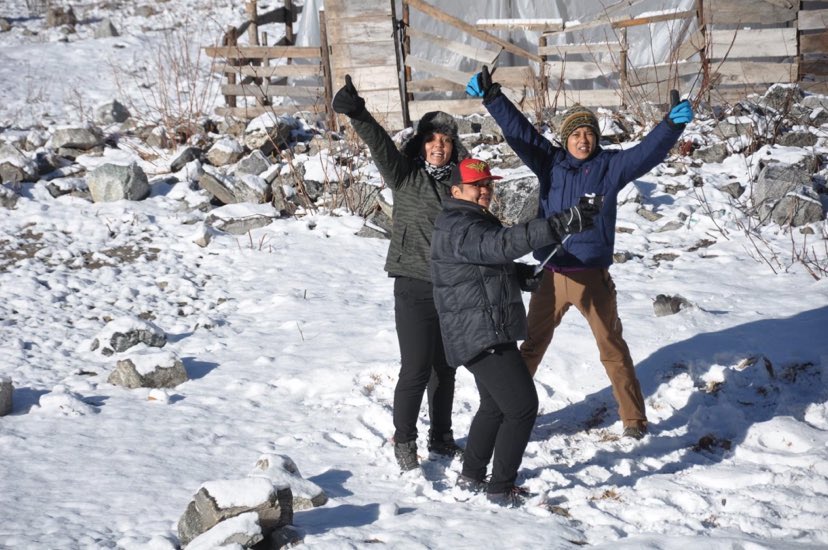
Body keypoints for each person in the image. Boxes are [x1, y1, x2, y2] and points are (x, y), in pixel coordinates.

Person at [466, 66, 693, 439]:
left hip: (591, 275)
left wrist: (671, 126)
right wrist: (493, 98)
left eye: (589, 132)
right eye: (576, 133)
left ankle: (634, 420)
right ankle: (508, 411)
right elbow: (520, 132)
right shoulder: (549, 163)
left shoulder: (610, 167)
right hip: (551, 275)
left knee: (612, 346)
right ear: (565, 138)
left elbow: (647, 153)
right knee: (531, 347)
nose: (583, 139)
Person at [431, 157, 599, 507]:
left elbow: (480, 267)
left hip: (482, 327)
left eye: (488, 185)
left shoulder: (466, 222)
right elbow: (500, 245)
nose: (485, 191)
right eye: (478, 185)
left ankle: (471, 476)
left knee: (494, 405)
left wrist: (519, 277)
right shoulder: (460, 224)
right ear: (456, 190)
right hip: (479, 331)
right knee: (522, 407)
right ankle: (501, 486)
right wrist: (559, 223)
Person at [332, 75, 467, 472]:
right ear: (422, 144)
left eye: (445, 140)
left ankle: (441, 438)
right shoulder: (406, 176)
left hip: (450, 287)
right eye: (432, 139)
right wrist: (358, 112)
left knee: (445, 368)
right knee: (416, 368)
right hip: (412, 284)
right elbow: (380, 145)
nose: (439, 146)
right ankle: (404, 441)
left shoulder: (461, 187)